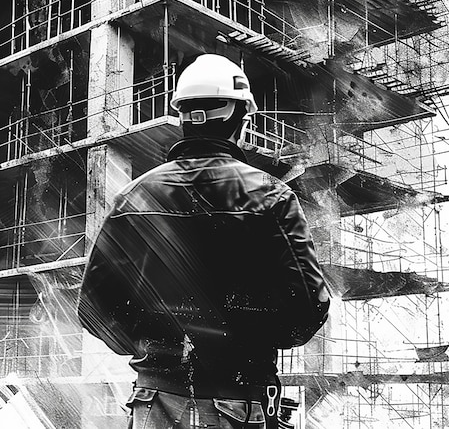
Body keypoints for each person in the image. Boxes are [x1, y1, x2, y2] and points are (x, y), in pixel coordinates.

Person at [77, 53, 330, 429]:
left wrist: (153, 350)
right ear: (239, 117)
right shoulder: (270, 198)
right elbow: (308, 310)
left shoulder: (133, 197)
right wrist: (246, 343)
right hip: (237, 404)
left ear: (183, 118)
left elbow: (93, 307)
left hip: (153, 404)